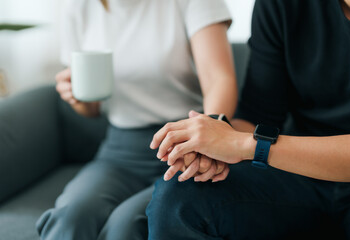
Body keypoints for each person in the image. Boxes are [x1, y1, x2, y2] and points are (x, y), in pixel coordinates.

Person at [146, 0, 350, 239]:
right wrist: (210, 148)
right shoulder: (282, 5)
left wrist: (249, 145)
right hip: (302, 176)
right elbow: (258, 115)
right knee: (177, 199)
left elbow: (249, 140)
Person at [35, 0, 237, 239]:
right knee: (71, 215)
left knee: (126, 225)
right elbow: (92, 109)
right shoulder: (79, 7)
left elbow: (218, 80)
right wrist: (77, 98)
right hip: (120, 152)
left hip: (184, 147)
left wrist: (207, 143)